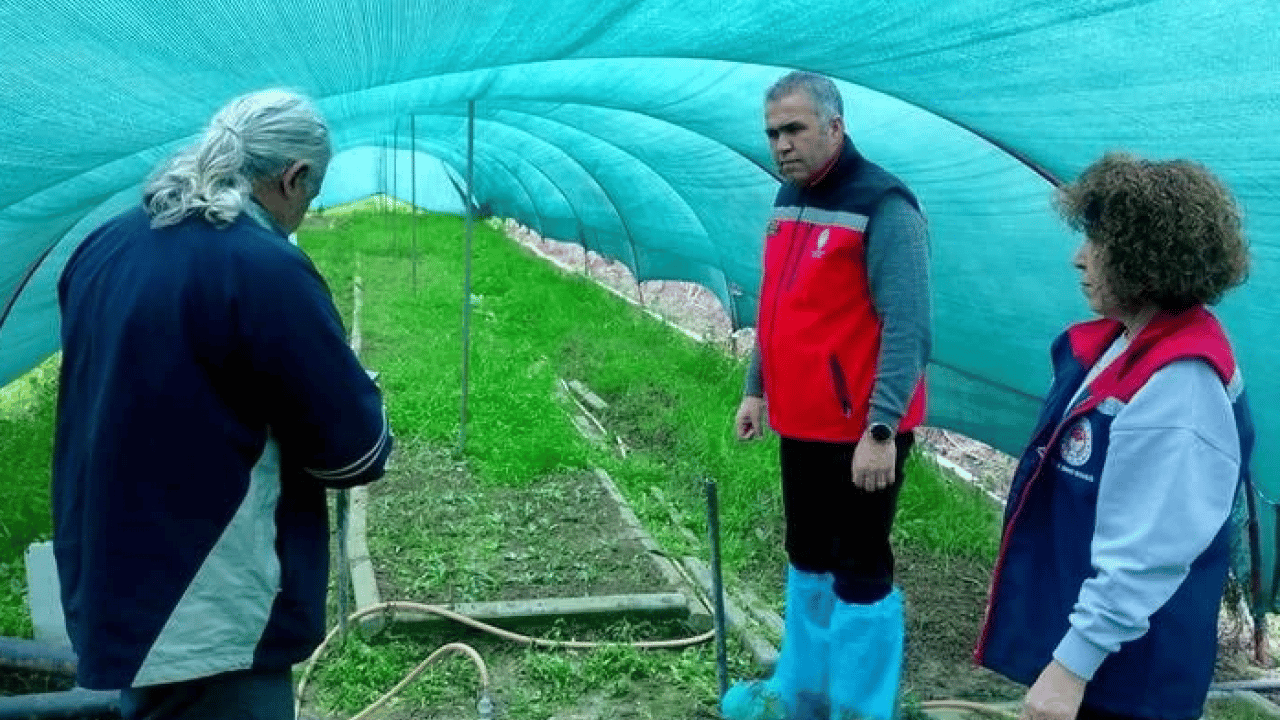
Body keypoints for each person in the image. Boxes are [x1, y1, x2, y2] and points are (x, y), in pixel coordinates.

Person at [53, 88, 392, 720]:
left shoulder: (104, 247)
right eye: (311, 196)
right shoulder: (262, 268)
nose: (304, 214)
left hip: (116, 575)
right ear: (293, 178)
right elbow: (352, 453)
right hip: (209, 602)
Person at [975, 152, 1253, 720]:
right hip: (1104, 654)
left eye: (1097, 244)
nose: (1079, 260)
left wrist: (1071, 666)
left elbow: (1148, 554)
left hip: (1131, 676)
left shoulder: (1180, 387)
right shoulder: (1116, 346)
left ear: (1144, 257)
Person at [722, 71, 931, 720]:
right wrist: (756, 390)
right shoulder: (790, 197)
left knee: (860, 569)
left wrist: (881, 431)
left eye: (794, 129)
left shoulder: (884, 206)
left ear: (835, 127)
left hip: (861, 434)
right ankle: (801, 694)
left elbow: (909, 326)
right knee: (806, 556)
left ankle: (859, 708)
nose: (781, 144)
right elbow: (779, 307)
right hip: (802, 423)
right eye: (773, 133)